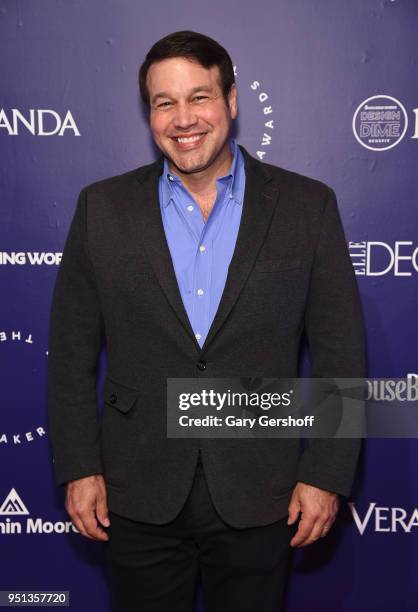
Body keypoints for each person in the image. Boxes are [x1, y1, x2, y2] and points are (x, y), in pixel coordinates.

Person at [47, 30, 366, 612]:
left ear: (232, 102)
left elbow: (341, 353)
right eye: (164, 102)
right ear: (149, 113)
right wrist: (79, 466)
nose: (182, 118)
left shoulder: (307, 207)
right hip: (134, 489)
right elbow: (69, 355)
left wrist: (325, 474)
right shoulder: (102, 208)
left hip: (261, 490)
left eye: (199, 97)